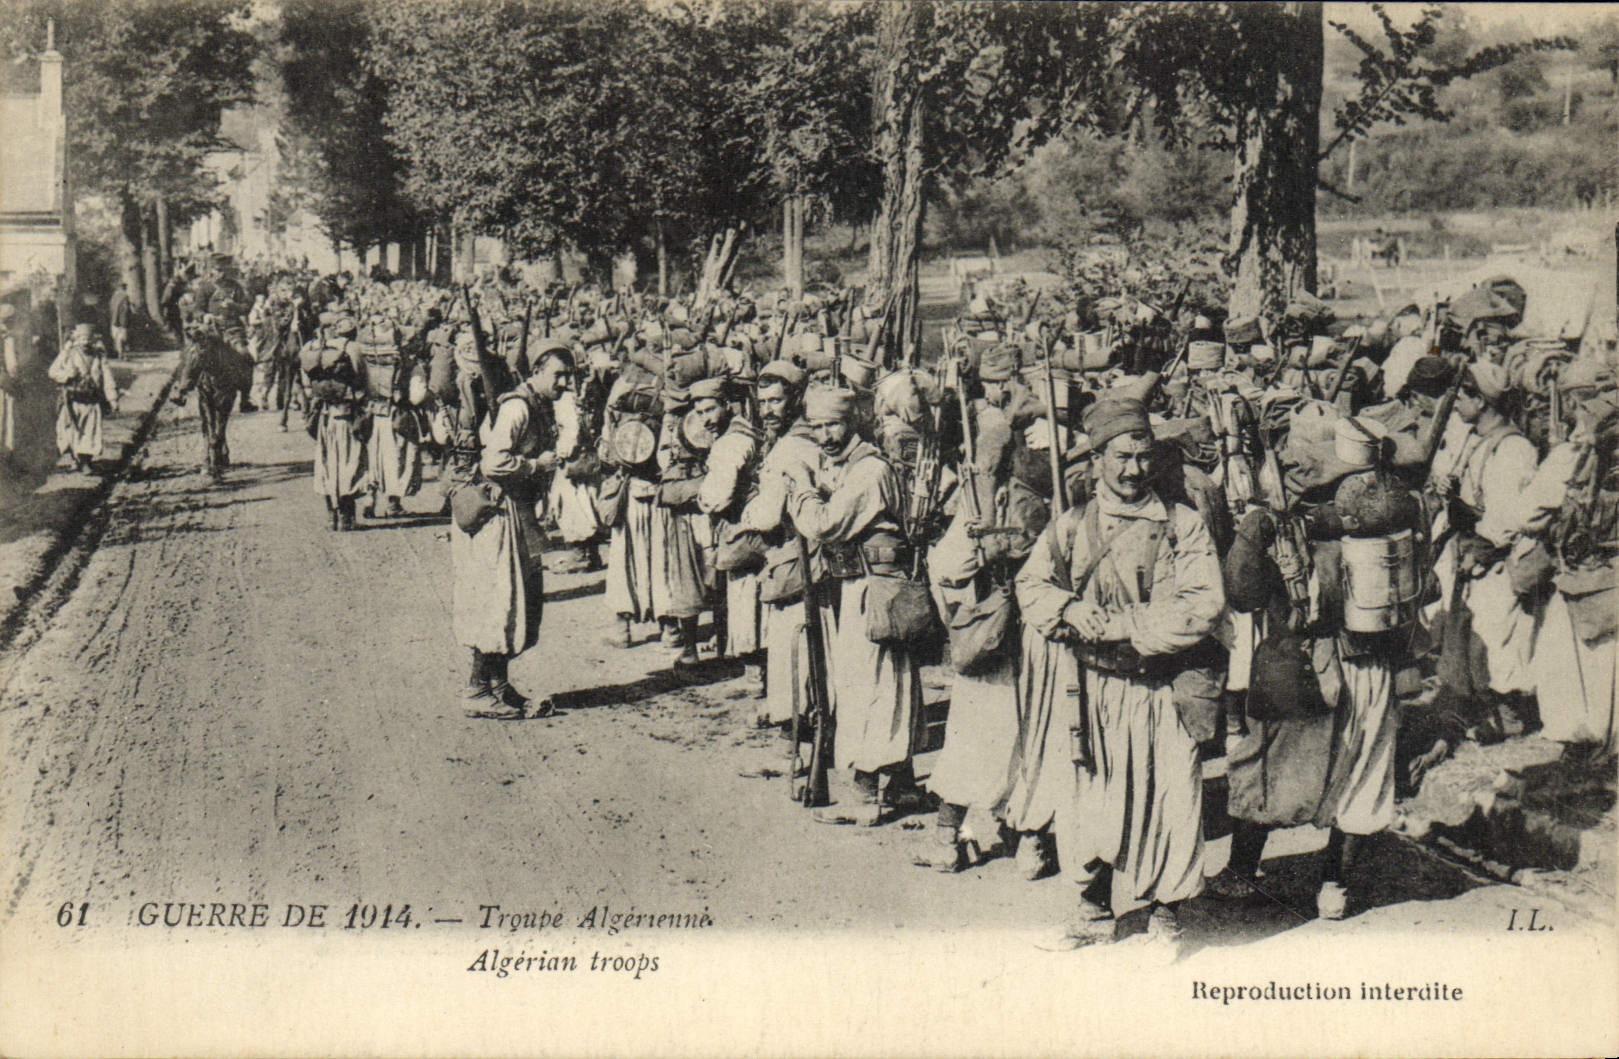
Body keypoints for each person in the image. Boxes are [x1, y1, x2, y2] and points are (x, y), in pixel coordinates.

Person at [1016, 398, 1224, 951]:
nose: (1133, 470)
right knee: (1094, 800)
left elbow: (1203, 606)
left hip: (1161, 688)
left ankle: (1166, 917)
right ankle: (1093, 912)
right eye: (1121, 457)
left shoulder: (1183, 526)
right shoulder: (1070, 526)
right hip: (1090, 690)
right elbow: (1030, 586)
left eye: (1143, 457)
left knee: (1169, 797)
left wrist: (1121, 626)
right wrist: (1066, 609)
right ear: (1097, 458)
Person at [923, 346, 1050, 871]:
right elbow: (948, 570)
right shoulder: (974, 509)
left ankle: (1029, 834)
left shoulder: (1036, 496)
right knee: (983, 732)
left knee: (1033, 732)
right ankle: (950, 833)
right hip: (996, 631)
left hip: (1034, 631)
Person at [788, 387, 925, 827]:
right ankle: (901, 784)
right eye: (818, 427)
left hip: (874, 590)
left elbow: (825, 525)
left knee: (868, 687)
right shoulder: (852, 465)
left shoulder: (869, 470)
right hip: (863, 587)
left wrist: (803, 494)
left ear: (854, 424)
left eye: (834, 425)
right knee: (886, 684)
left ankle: (867, 794)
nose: (826, 435)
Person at [454, 339, 571, 720]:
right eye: (558, 374)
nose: (565, 382)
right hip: (498, 515)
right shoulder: (518, 408)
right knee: (498, 600)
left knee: (516, 599)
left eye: (569, 375)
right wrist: (537, 465)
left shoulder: (536, 404)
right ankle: (476, 690)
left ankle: (499, 685)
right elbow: (494, 463)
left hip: (515, 513)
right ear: (537, 371)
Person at [1430, 361, 1541, 739]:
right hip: (1472, 549)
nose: (1457, 403)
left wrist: (1479, 547)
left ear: (1481, 400)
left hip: (1496, 556)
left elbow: (1508, 517)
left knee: (1499, 635)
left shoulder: (1513, 450)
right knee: (1471, 631)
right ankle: (1483, 709)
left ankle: (1510, 715)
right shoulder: (1476, 440)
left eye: (1462, 396)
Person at [735, 360, 825, 731]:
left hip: (795, 554)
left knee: (794, 637)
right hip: (810, 552)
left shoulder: (790, 448)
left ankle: (798, 720)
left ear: (796, 399)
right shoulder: (810, 437)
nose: (768, 410)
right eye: (763, 401)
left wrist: (747, 511)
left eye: (776, 400)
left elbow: (768, 516)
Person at [304, 313, 368, 531]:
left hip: (324, 415)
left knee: (326, 464)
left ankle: (331, 516)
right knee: (349, 463)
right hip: (347, 414)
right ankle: (346, 516)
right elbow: (362, 379)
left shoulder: (315, 348)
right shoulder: (354, 349)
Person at [48, 323, 119, 476]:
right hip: (72, 400)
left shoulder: (98, 356)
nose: (85, 342)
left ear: (93, 340)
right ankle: (75, 459)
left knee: (89, 431)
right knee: (71, 431)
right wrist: (67, 375)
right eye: (81, 338)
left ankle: (86, 462)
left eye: (88, 338)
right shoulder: (69, 354)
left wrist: (112, 398)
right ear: (76, 339)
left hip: (91, 400)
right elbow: (53, 372)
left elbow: (107, 377)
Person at [109, 282, 132, 358]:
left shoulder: (114, 297)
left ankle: (119, 352)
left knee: (116, 337)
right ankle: (122, 354)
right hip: (122, 320)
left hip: (114, 320)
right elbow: (125, 310)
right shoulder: (125, 297)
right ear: (124, 288)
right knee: (123, 338)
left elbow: (111, 308)